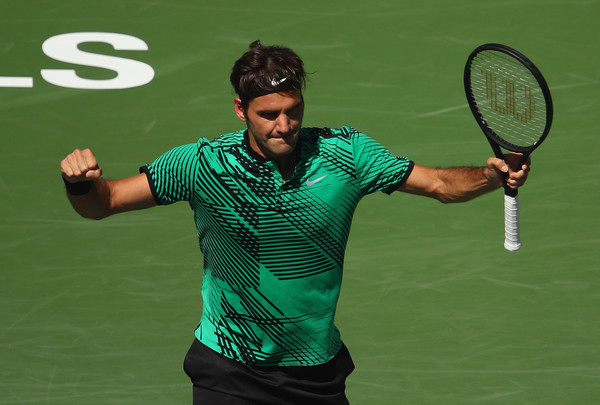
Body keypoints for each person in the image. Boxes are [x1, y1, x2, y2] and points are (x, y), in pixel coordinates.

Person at [60, 40, 530, 404]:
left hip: (316, 372)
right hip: (230, 370)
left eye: (293, 110)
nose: (284, 125)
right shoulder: (201, 164)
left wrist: (489, 177)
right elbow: (106, 201)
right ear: (241, 110)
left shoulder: (346, 155)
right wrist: (80, 183)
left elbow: (441, 185)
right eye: (269, 115)